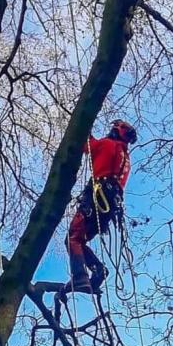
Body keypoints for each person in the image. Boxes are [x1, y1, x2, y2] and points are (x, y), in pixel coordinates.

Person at [65, 120, 137, 294]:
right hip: (109, 208)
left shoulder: (106, 145)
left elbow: (86, 144)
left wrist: (84, 128)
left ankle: (80, 276)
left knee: (72, 238)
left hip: (97, 199)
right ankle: (98, 270)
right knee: (79, 240)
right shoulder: (125, 158)